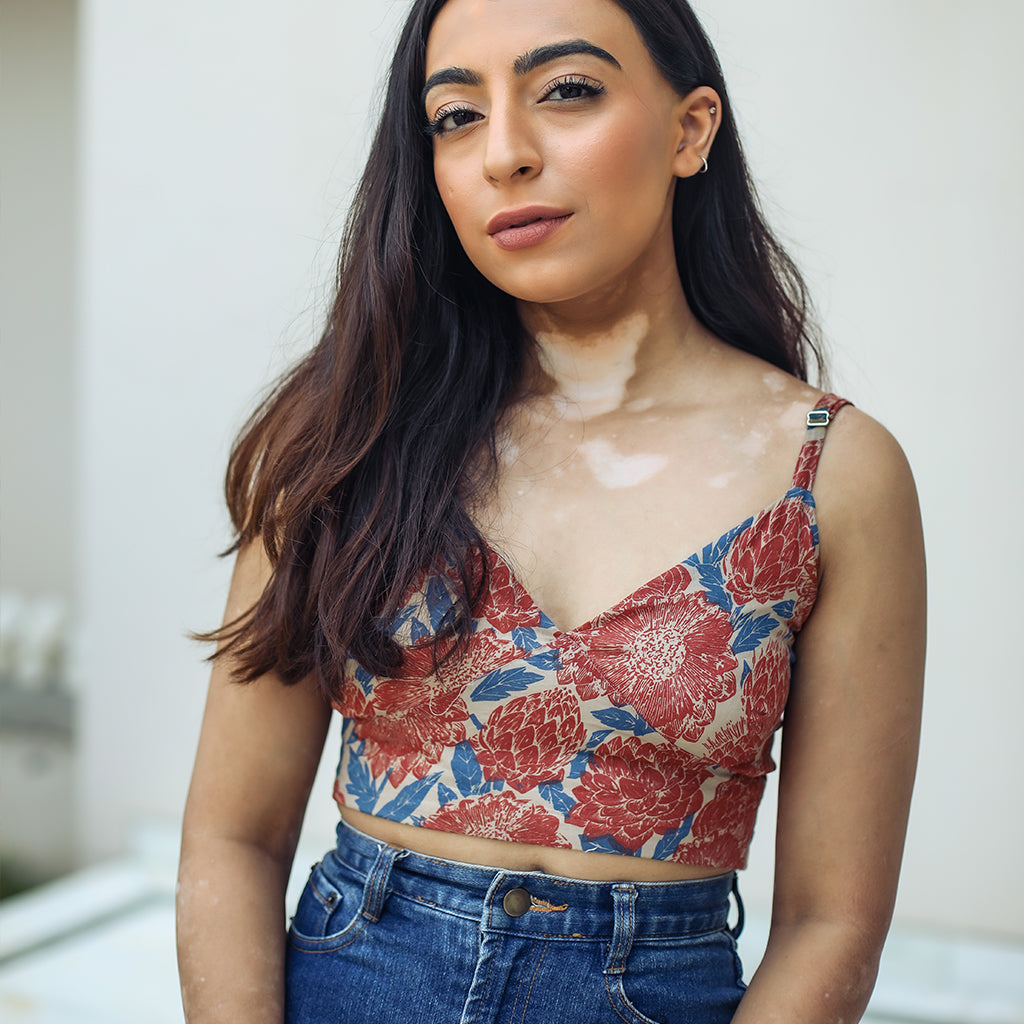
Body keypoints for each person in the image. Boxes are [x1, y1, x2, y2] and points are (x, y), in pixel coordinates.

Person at [176, 0, 926, 1021]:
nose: (505, 154)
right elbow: (233, 839)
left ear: (689, 129)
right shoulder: (348, 436)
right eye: (456, 116)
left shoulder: (830, 474)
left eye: (566, 90)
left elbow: (830, 921)